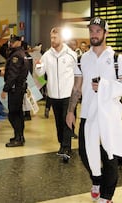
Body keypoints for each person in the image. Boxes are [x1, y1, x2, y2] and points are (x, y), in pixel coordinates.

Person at [66, 17, 122, 203]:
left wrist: (105, 85)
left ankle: (106, 196)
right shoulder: (81, 59)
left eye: (98, 31)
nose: (94, 34)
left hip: (109, 116)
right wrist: (71, 111)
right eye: (92, 30)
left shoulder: (117, 58)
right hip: (88, 113)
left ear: (105, 33)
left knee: (109, 155)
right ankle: (97, 180)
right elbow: (77, 87)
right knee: (85, 153)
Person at [35, 27, 77, 158]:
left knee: (67, 120)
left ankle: (67, 147)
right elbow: (40, 74)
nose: (52, 40)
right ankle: (62, 144)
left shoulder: (71, 55)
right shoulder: (47, 56)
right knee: (58, 122)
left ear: (61, 38)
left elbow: (78, 74)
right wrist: (38, 67)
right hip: (53, 95)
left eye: (55, 37)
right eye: (51, 38)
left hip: (68, 95)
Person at [1, 35, 29, 147]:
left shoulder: (16, 55)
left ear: (18, 42)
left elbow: (13, 74)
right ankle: (19, 136)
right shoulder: (22, 53)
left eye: (13, 42)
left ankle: (18, 138)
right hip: (20, 87)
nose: (11, 43)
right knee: (18, 114)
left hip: (15, 88)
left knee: (13, 114)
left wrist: (5, 89)